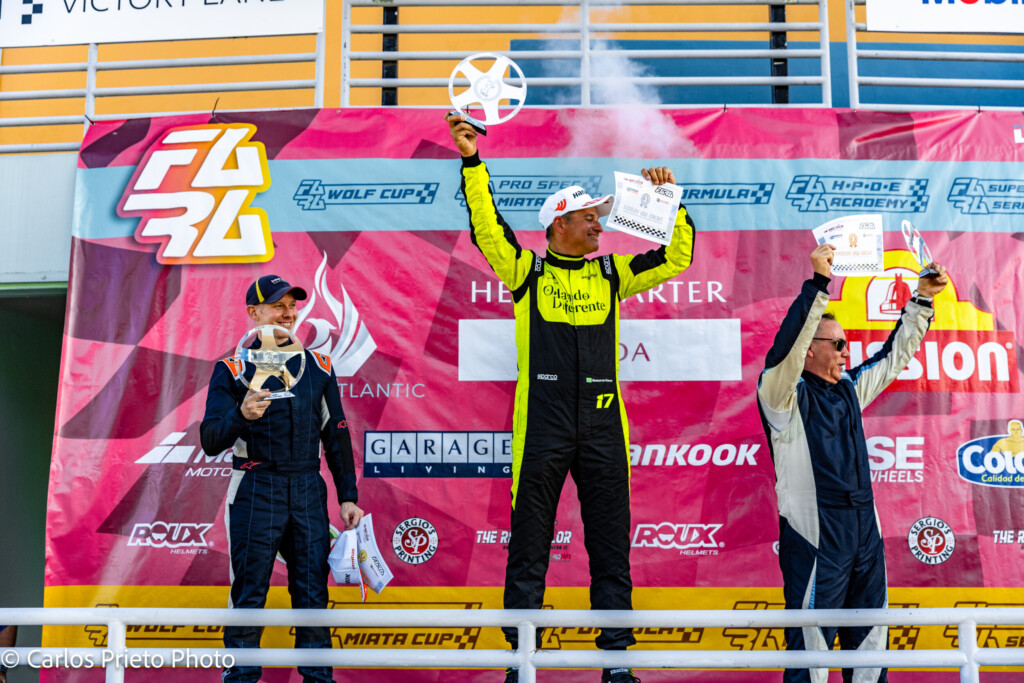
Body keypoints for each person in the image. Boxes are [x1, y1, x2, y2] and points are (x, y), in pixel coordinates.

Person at [448, 114, 696, 683]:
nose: (599, 226)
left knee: (611, 549)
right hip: (543, 423)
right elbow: (487, 227)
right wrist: (471, 161)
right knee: (528, 548)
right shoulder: (526, 272)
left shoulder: (611, 273)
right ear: (559, 223)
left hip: (605, 427)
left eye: (599, 218)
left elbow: (676, 257)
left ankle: (617, 664)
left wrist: (671, 202)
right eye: (590, 218)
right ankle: (521, 664)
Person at [756, 244, 948, 683]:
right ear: (810, 350)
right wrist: (819, 284)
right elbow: (786, 351)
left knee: (870, 647)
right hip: (815, 535)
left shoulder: (849, 389)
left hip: (864, 532)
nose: (847, 352)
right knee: (812, 652)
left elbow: (893, 357)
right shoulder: (781, 397)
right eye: (839, 344)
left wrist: (922, 300)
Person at [200, 274, 364, 683]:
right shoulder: (231, 368)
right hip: (255, 486)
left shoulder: (319, 366)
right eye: (278, 306)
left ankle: (318, 678)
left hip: (307, 488)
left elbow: (336, 432)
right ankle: (241, 679)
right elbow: (210, 439)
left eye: (292, 306)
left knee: (312, 593)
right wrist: (241, 415)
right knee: (249, 593)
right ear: (254, 313)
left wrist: (348, 495)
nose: (288, 313)